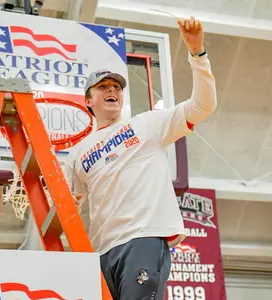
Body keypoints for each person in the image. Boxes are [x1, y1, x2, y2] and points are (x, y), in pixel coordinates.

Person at [63, 17, 217, 300]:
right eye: (103, 87)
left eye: (116, 87)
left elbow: (203, 106)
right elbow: (67, 204)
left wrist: (197, 53)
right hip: (100, 251)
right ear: (88, 100)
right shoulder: (77, 154)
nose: (112, 90)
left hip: (142, 238)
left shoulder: (147, 124)